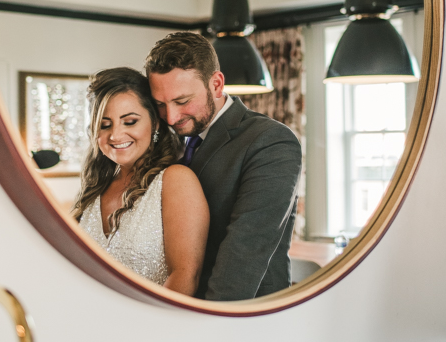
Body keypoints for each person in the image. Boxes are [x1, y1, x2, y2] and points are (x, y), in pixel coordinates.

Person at [145, 32, 302, 301]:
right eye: (160, 104)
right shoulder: (165, 141)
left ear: (216, 84)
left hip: (240, 315)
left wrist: (209, 326)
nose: (171, 116)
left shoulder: (270, 141)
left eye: (182, 101)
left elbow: (246, 250)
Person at [73, 67, 210, 296]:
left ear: (155, 123)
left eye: (129, 121)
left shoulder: (175, 180)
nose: (115, 135)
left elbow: (186, 275)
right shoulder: (95, 188)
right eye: (105, 125)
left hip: (150, 325)